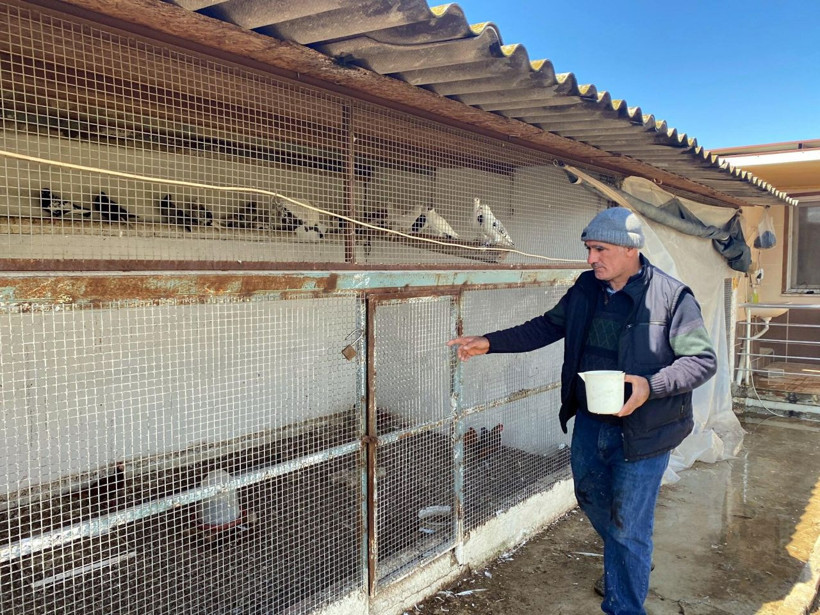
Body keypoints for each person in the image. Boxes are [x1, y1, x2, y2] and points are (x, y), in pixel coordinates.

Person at [448, 207, 717, 615]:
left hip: (646, 427)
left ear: (630, 249)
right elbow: (547, 325)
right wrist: (489, 342)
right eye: (589, 249)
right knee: (590, 495)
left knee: (630, 524)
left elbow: (701, 360)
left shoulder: (671, 297)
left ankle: (624, 600)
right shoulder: (586, 288)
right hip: (592, 417)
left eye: (600, 249)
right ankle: (630, 561)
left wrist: (650, 385)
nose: (591, 258)